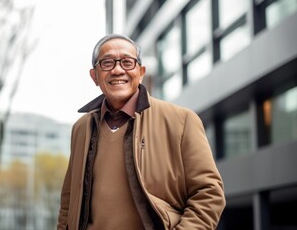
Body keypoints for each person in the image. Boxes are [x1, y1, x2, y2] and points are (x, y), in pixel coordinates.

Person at [57, 34, 226, 230]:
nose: (117, 70)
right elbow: (69, 202)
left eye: (127, 62)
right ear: (94, 76)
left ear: (141, 72)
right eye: (107, 63)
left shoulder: (182, 121)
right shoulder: (81, 128)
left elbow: (209, 193)